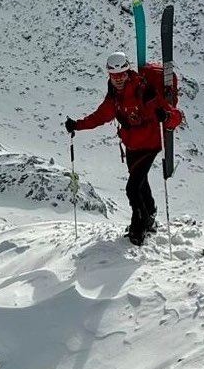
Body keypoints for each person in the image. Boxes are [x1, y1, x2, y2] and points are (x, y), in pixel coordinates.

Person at [65, 51, 183, 245]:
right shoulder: (114, 96)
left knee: (132, 188)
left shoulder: (145, 91)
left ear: (128, 72)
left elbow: (175, 116)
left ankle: (139, 228)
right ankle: (151, 213)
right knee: (140, 182)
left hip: (150, 144)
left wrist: (166, 117)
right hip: (131, 144)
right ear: (109, 76)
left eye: (121, 75)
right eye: (114, 76)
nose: (118, 79)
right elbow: (100, 116)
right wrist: (77, 125)